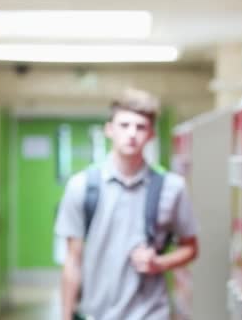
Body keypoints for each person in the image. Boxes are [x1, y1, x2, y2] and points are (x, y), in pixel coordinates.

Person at [54, 88, 199, 320]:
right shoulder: (81, 186)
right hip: (96, 313)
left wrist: (159, 263)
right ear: (109, 129)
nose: (132, 134)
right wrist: (65, 315)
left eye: (141, 127)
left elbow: (191, 247)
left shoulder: (172, 187)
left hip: (151, 313)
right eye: (124, 125)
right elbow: (72, 260)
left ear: (151, 134)